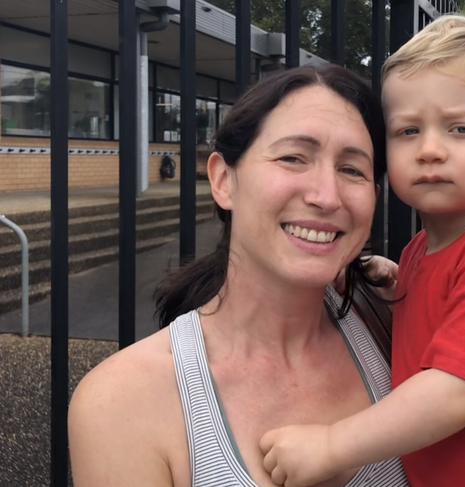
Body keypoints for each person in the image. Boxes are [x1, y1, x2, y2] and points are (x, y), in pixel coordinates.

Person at [259, 15, 465, 487]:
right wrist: (398, 279)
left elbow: (454, 392)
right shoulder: (425, 249)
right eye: (408, 131)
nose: (430, 149)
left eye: (460, 129)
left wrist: (333, 445)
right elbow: (446, 311)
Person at [68, 65, 409, 487]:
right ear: (223, 180)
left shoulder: (394, 328)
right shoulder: (122, 402)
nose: (325, 195)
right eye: (293, 158)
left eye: (353, 169)